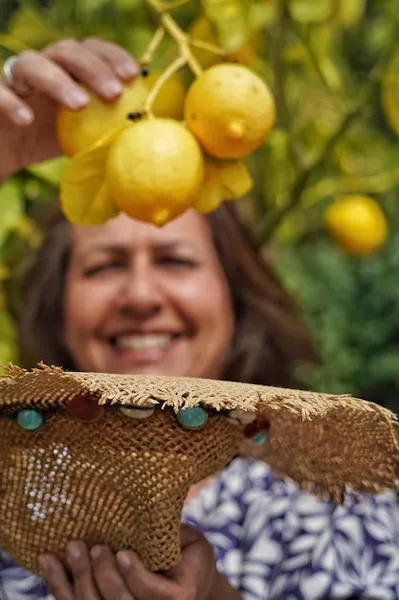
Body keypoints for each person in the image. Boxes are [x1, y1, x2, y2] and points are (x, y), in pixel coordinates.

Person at [0, 38, 398, 600]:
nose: (140, 294)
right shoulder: (13, 504)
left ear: (233, 298)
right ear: (59, 311)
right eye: (105, 265)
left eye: (175, 259)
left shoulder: (339, 507)